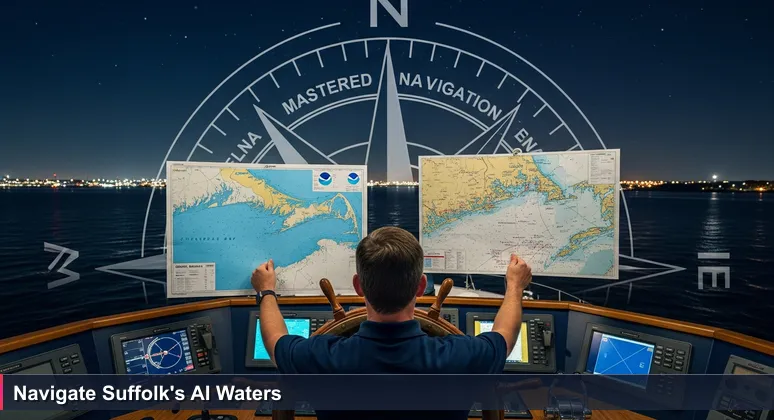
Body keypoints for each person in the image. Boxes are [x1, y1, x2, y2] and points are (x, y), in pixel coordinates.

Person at [251, 226, 532, 419]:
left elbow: (275, 341)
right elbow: (504, 336)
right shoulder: (461, 357)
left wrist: (266, 291)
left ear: (358, 286)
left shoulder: (322, 358)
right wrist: (515, 287)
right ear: (421, 287)